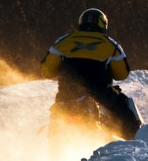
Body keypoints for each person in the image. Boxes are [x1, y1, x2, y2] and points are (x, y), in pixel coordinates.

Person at [40, 8, 142, 140]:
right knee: (126, 114)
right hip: (101, 95)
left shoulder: (63, 41)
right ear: (103, 25)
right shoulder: (111, 45)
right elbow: (122, 74)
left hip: (66, 96)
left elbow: (46, 70)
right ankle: (134, 146)